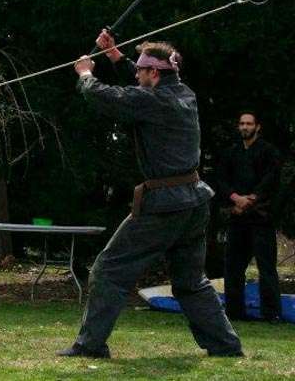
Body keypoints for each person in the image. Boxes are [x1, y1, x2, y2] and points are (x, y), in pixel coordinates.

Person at [57, 30, 242, 359]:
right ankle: (226, 347)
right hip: (194, 202)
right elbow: (140, 83)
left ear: (154, 73)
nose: (138, 74)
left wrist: (86, 74)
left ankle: (90, 345)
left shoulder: (154, 101)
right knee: (191, 282)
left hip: (165, 205)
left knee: (108, 270)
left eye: (142, 71)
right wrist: (114, 54)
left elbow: (108, 98)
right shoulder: (184, 94)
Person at [218, 111, 282, 322]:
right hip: (237, 217)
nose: (245, 127)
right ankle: (234, 312)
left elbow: (270, 179)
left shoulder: (268, 152)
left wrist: (251, 199)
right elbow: (222, 180)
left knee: (266, 267)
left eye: (249, 124)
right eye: (242, 124)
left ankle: (271, 313)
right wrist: (236, 198)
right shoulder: (232, 153)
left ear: (257, 127)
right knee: (233, 266)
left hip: (260, 217)